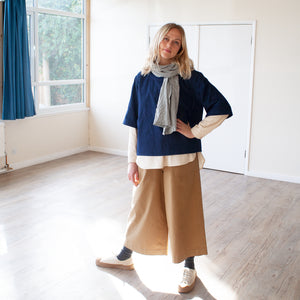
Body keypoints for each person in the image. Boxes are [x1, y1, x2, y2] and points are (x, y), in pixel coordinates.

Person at [96, 23, 232, 293]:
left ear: (182, 48)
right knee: (140, 210)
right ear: (158, 40)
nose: (170, 45)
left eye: (177, 42)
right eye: (166, 39)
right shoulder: (142, 78)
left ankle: (189, 266)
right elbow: (134, 124)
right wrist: (131, 161)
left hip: (182, 158)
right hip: (148, 158)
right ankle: (125, 255)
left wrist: (194, 132)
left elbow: (221, 108)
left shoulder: (191, 77)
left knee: (185, 212)